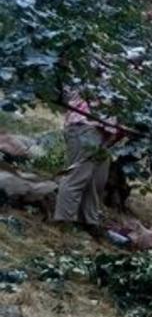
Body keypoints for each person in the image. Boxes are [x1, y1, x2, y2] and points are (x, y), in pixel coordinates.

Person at [52, 86, 123, 237]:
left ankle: (89, 222)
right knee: (77, 176)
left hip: (105, 131)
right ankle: (64, 222)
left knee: (96, 181)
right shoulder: (104, 74)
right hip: (85, 125)